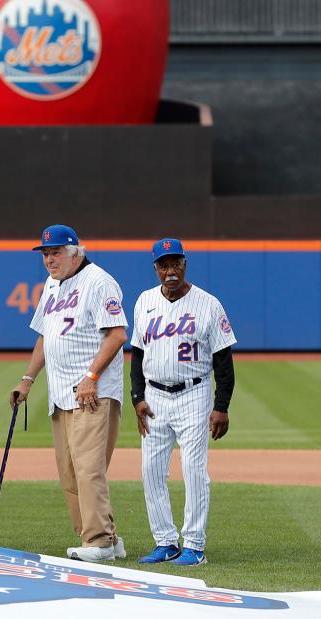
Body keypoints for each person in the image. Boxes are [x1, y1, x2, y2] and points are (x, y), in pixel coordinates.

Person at [11, 224, 128, 562]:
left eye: (56, 252)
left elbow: (117, 335)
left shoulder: (99, 282)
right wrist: (27, 380)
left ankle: (99, 543)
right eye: (46, 254)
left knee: (89, 467)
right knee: (70, 471)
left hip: (92, 392)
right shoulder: (51, 285)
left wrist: (91, 376)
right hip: (60, 393)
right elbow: (46, 337)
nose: (50, 259)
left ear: (76, 251)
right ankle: (106, 538)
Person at [130, 238, 237, 567]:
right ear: (156, 269)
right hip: (155, 397)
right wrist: (137, 397)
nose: (170, 270)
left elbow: (224, 361)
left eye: (176, 263)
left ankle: (194, 545)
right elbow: (137, 353)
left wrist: (221, 406)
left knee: (193, 470)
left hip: (194, 394)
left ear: (185, 264)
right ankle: (165, 542)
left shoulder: (208, 304)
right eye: (164, 265)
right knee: (151, 471)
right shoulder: (145, 301)